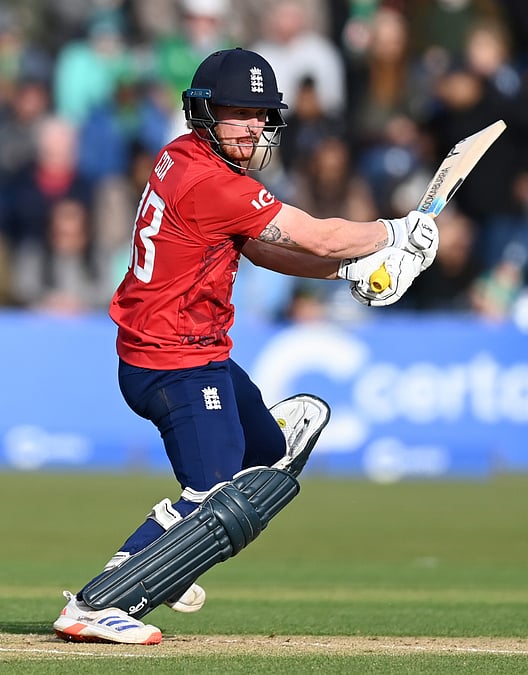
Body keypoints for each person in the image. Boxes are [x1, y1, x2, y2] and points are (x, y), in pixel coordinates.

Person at [51, 47, 437, 645]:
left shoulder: (183, 157)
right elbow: (319, 235)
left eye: (262, 115)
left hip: (194, 353)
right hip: (174, 362)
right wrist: (395, 232)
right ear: (205, 112)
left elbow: (259, 248)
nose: (255, 127)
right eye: (240, 113)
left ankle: (170, 560)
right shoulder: (211, 183)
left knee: (267, 455)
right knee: (212, 497)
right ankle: (98, 601)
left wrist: (346, 272)